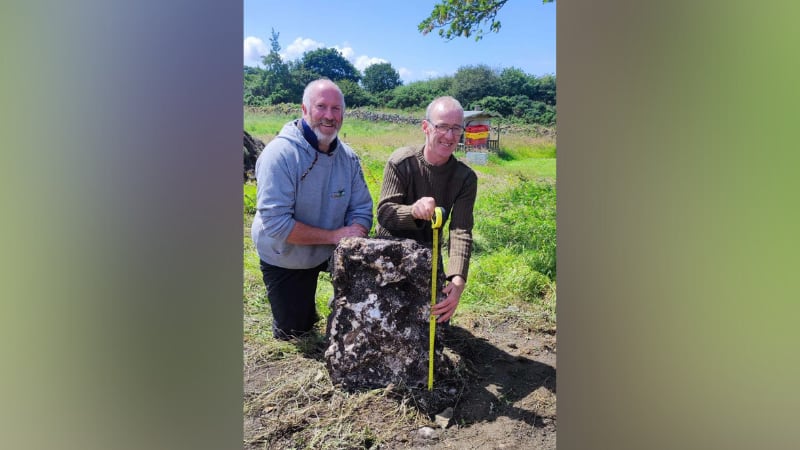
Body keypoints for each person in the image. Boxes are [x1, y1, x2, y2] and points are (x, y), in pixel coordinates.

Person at [251, 79, 373, 340]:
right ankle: (300, 310)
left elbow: (362, 207)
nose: (329, 116)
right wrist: (335, 236)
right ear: (304, 110)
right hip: (285, 252)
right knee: (295, 332)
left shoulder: (348, 158)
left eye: (336, 108)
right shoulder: (280, 155)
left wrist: (356, 233)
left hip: (331, 249)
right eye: (321, 107)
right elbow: (276, 224)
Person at [376, 96, 478, 323]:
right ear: (426, 127)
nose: (449, 136)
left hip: (428, 255)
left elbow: (460, 229)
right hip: (389, 250)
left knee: (433, 322)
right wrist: (412, 211)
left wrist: (458, 277)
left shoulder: (465, 177)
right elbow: (384, 214)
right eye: (442, 127)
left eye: (456, 128)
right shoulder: (402, 161)